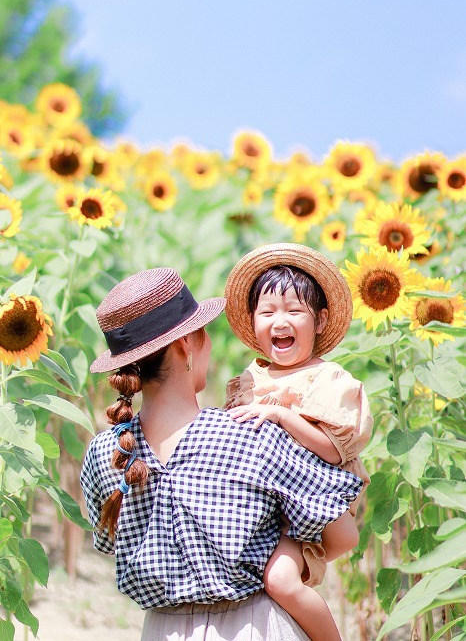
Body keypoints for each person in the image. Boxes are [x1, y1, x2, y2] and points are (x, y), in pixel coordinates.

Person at [80, 266, 363, 641]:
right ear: (186, 346)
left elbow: (108, 542)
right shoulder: (253, 436)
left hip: (160, 631)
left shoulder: (104, 453)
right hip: (254, 627)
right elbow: (343, 534)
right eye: (205, 334)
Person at [223, 242, 373, 641]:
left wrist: (283, 415)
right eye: (267, 312)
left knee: (282, 582)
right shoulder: (250, 380)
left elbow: (333, 448)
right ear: (253, 322)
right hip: (264, 504)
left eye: (294, 311)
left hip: (314, 507)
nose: (279, 321)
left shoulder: (328, 378)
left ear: (321, 320)